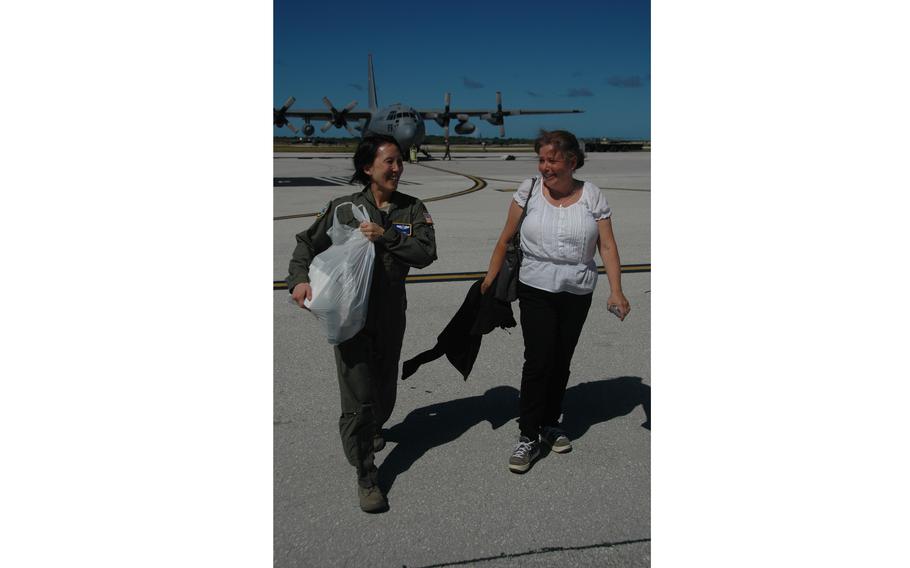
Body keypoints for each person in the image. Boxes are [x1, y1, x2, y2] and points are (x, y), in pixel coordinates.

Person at [287, 134, 437, 512]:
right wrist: (299, 280)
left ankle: (374, 427)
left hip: (389, 315)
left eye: (400, 161)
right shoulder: (344, 208)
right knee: (357, 395)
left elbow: (426, 253)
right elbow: (306, 244)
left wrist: (385, 236)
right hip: (349, 313)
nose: (397, 168)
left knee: (384, 389)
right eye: (389, 161)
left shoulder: (412, 209)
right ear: (368, 168)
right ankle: (366, 476)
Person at [480, 130, 631, 474]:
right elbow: (505, 239)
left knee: (561, 359)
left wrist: (616, 290)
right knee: (538, 360)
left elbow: (607, 246)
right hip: (535, 286)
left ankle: (550, 422)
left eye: (552, 160)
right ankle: (528, 434)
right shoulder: (529, 190)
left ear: (572, 162)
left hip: (578, 289)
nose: (545, 167)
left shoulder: (591, 195)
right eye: (542, 160)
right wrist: (489, 281)